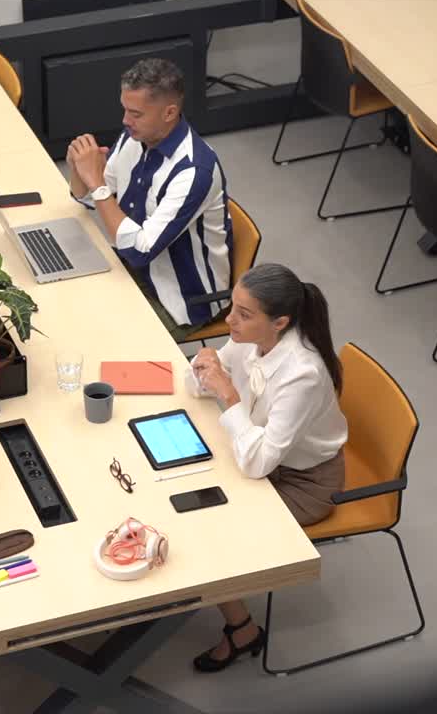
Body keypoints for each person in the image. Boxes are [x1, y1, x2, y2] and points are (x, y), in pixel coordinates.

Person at [185, 263, 348, 673]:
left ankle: (242, 630)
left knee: (211, 530)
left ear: (280, 322)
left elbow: (257, 463)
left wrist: (227, 393)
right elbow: (202, 384)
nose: (228, 320)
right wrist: (205, 369)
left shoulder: (303, 374)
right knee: (185, 494)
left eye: (243, 313)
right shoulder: (250, 337)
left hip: (305, 481)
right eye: (232, 307)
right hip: (258, 450)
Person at [67, 57, 232, 340]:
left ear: (169, 113)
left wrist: (95, 181)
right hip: (133, 267)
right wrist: (78, 169)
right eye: (125, 110)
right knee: (69, 305)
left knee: (99, 338)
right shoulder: (135, 137)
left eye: (136, 114)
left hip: (180, 299)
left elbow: (139, 250)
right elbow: (94, 198)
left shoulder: (194, 172)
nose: (125, 121)